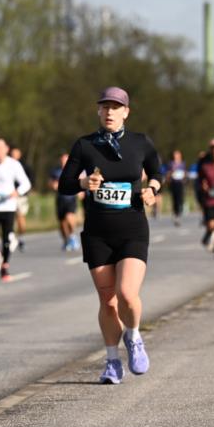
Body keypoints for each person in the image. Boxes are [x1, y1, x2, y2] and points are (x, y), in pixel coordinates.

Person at [57, 87, 161, 385]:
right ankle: (113, 362)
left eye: (115, 107)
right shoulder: (85, 145)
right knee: (108, 301)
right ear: (98, 111)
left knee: (127, 294)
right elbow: (64, 184)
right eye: (104, 107)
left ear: (126, 112)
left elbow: (157, 172)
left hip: (132, 229)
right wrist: (84, 182)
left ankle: (134, 336)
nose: (109, 112)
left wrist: (152, 189)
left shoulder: (140, 142)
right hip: (98, 233)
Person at [0, 138, 31, 281]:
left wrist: (17, 192)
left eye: (0, 148)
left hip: (8, 206)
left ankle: (4, 267)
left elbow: (26, 183)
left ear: (6, 149)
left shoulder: (13, 164)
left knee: (7, 238)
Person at [50, 153, 80, 251]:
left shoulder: (74, 170)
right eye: (62, 160)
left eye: (65, 160)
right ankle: (66, 240)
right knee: (62, 223)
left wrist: (80, 191)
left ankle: (72, 236)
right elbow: (51, 182)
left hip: (71, 199)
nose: (64, 162)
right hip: (60, 199)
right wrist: (53, 185)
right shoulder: (56, 171)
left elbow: (80, 181)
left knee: (69, 217)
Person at [9, 146, 34, 251]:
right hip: (8, 197)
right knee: (9, 218)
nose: (14, 155)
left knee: (20, 217)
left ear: (20, 154)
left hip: (21, 196)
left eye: (16, 153)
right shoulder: (6, 165)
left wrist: (24, 191)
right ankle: (11, 238)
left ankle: (21, 238)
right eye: (12, 153)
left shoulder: (24, 166)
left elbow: (30, 180)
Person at [166, 149, 187, 227]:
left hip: (180, 183)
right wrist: (171, 174)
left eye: (177, 154)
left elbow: (185, 173)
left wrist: (184, 177)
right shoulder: (171, 163)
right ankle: (176, 214)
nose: (176, 156)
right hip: (174, 183)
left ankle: (179, 212)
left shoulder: (182, 163)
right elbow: (168, 174)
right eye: (175, 154)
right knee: (175, 199)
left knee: (180, 199)